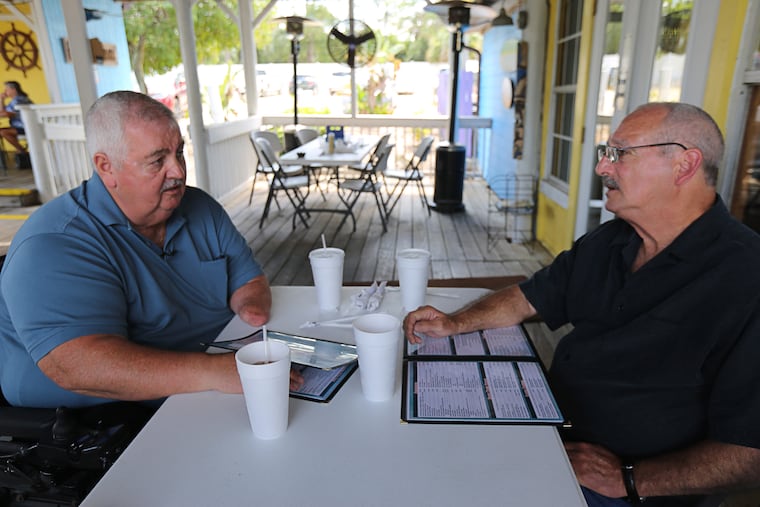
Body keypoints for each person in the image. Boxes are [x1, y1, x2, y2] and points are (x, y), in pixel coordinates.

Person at [403, 102, 760, 506]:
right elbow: (530, 296)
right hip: (548, 427)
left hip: (632, 491)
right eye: (605, 154)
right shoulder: (612, 240)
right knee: (420, 457)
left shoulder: (746, 278)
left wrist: (630, 478)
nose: (602, 168)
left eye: (620, 154)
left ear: (684, 164)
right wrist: (456, 322)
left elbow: (751, 454)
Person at [0, 90, 302, 409]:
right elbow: (80, 368)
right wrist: (216, 371)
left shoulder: (199, 207)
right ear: (106, 167)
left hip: (209, 378)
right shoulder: (55, 243)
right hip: (95, 420)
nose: (178, 171)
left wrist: (249, 309)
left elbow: (248, 278)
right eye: (158, 160)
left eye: (179, 153)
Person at [0, 81, 32, 153]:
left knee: (3, 132)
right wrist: (1, 100)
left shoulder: (19, 100)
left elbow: (8, 114)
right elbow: (2, 111)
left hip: (26, 127)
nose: (5, 91)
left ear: (13, 89)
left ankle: (22, 152)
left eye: (7, 89)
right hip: (18, 127)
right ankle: (20, 151)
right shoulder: (14, 100)